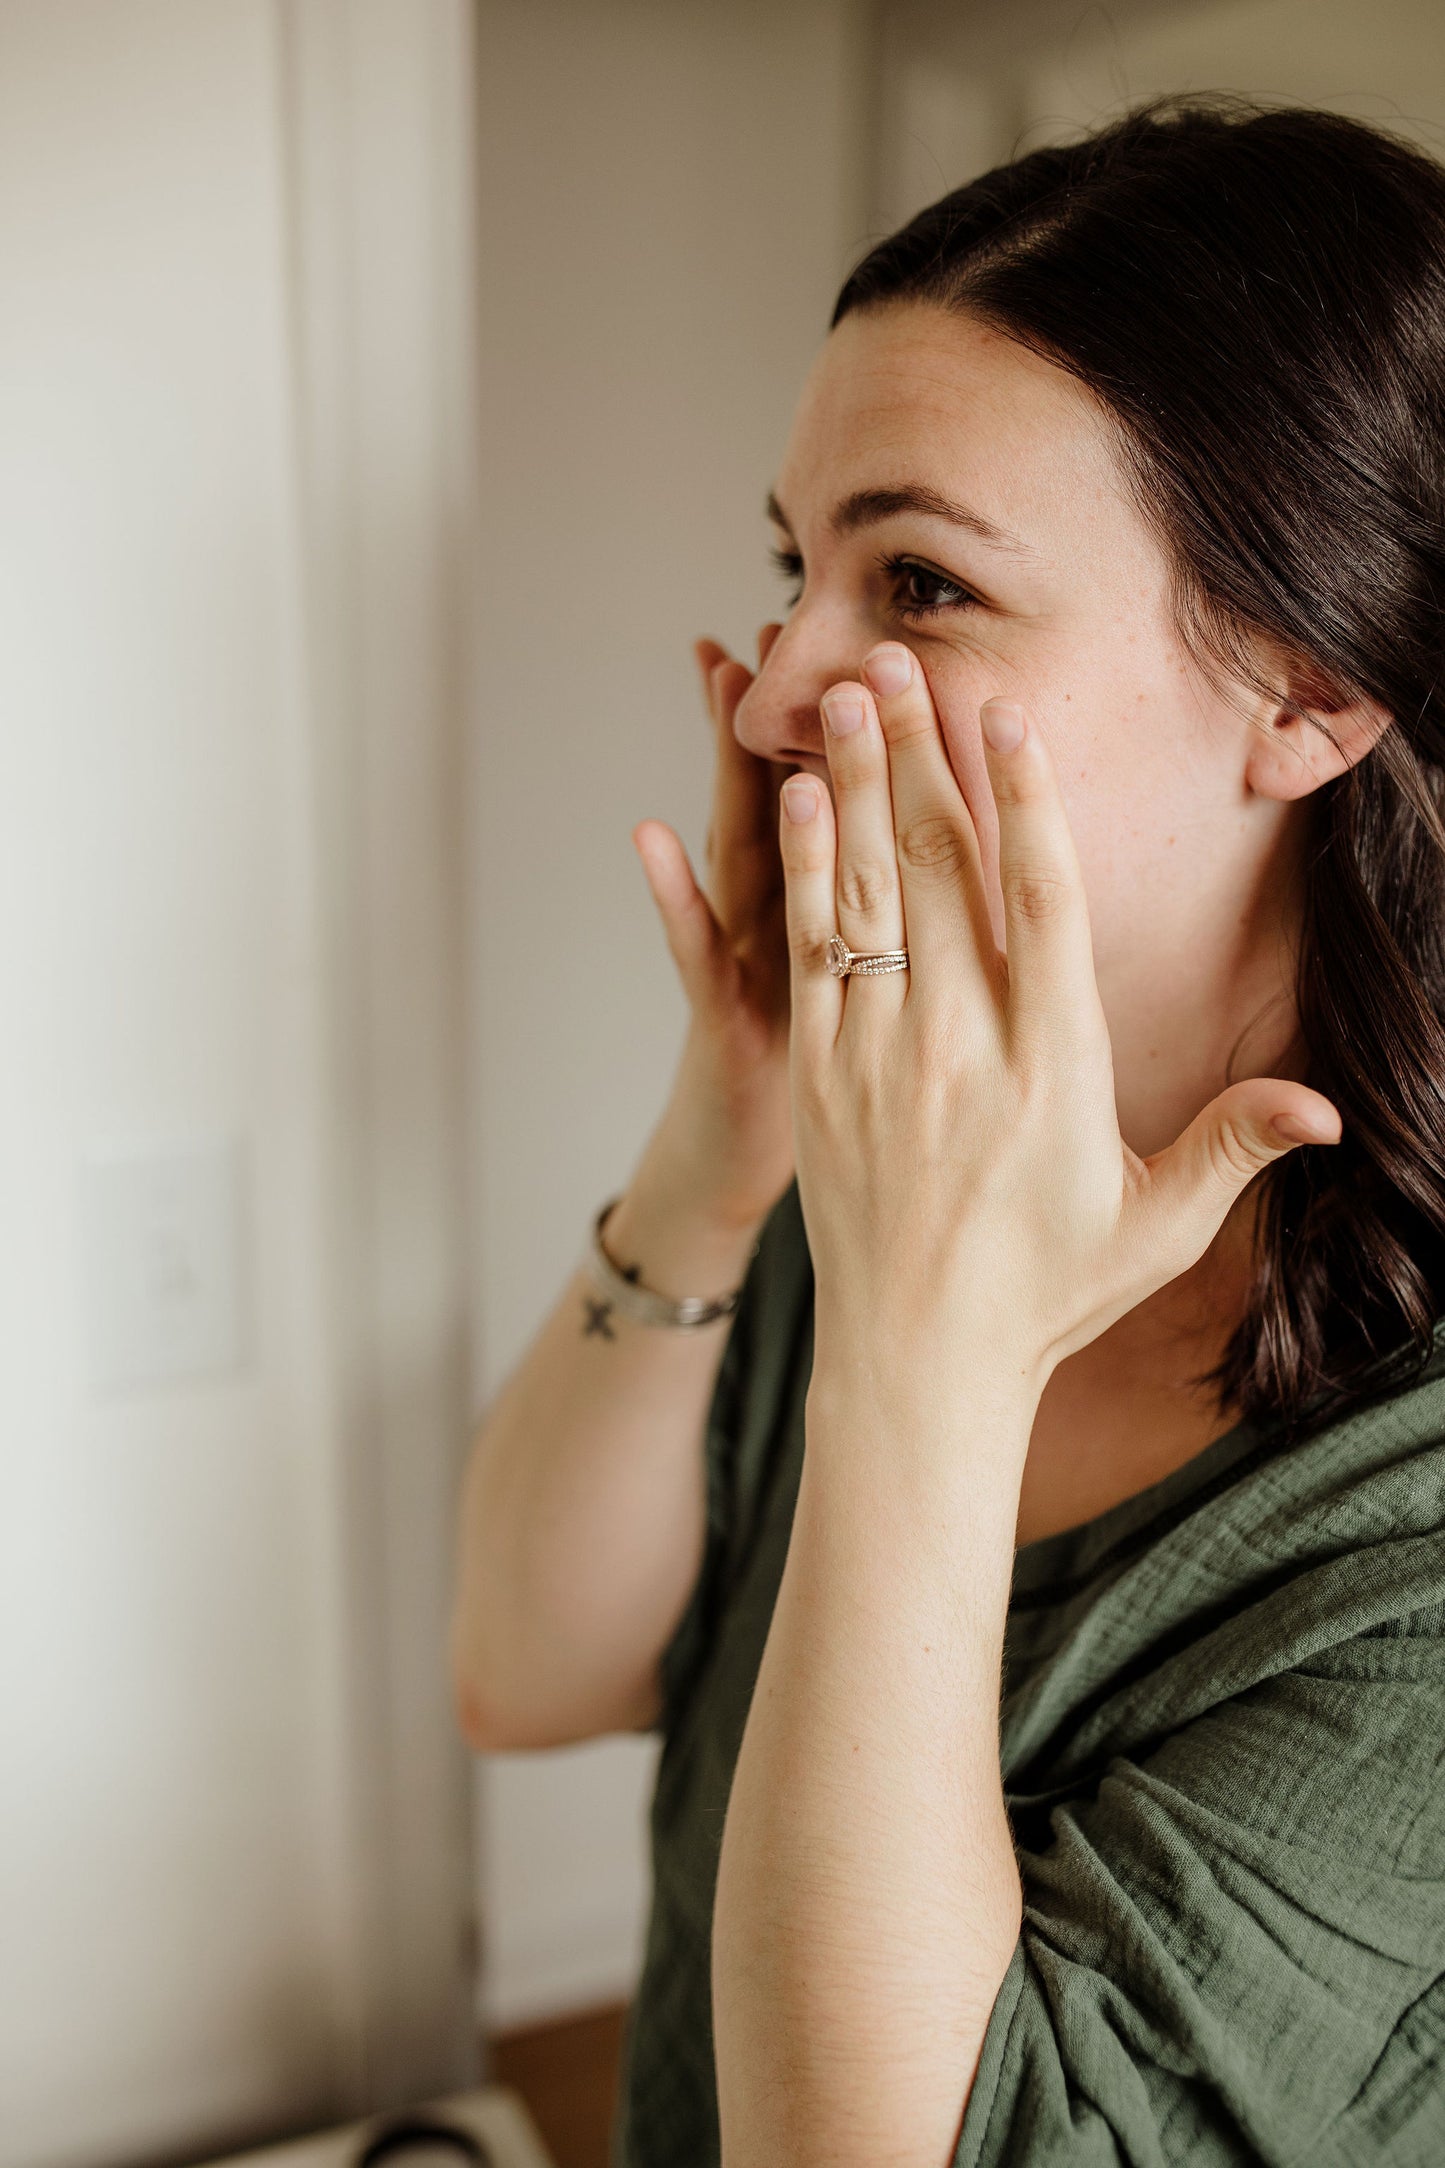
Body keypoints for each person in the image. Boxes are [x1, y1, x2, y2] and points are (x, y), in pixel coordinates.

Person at [449, 98, 1445, 2166]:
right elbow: (523, 1668)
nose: (778, 680)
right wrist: (726, 1140)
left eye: (920, 579)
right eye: (791, 569)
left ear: (1309, 685)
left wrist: (923, 1347)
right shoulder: (892, 1145)